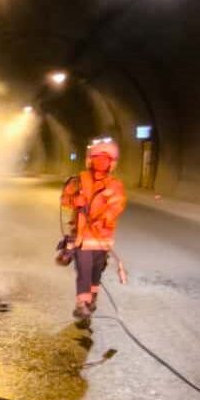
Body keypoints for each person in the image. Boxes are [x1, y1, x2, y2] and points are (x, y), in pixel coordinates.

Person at [61, 137, 127, 323]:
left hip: (102, 237)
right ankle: (82, 304)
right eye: (97, 158)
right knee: (84, 267)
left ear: (111, 163)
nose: (101, 162)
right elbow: (65, 200)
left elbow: (117, 206)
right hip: (82, 236)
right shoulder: (79, 181)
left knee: (96, 270)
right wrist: (75, 201)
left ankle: (92, 297)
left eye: (105, 159)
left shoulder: (115, 186)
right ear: (91, 160)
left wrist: (104, 218)